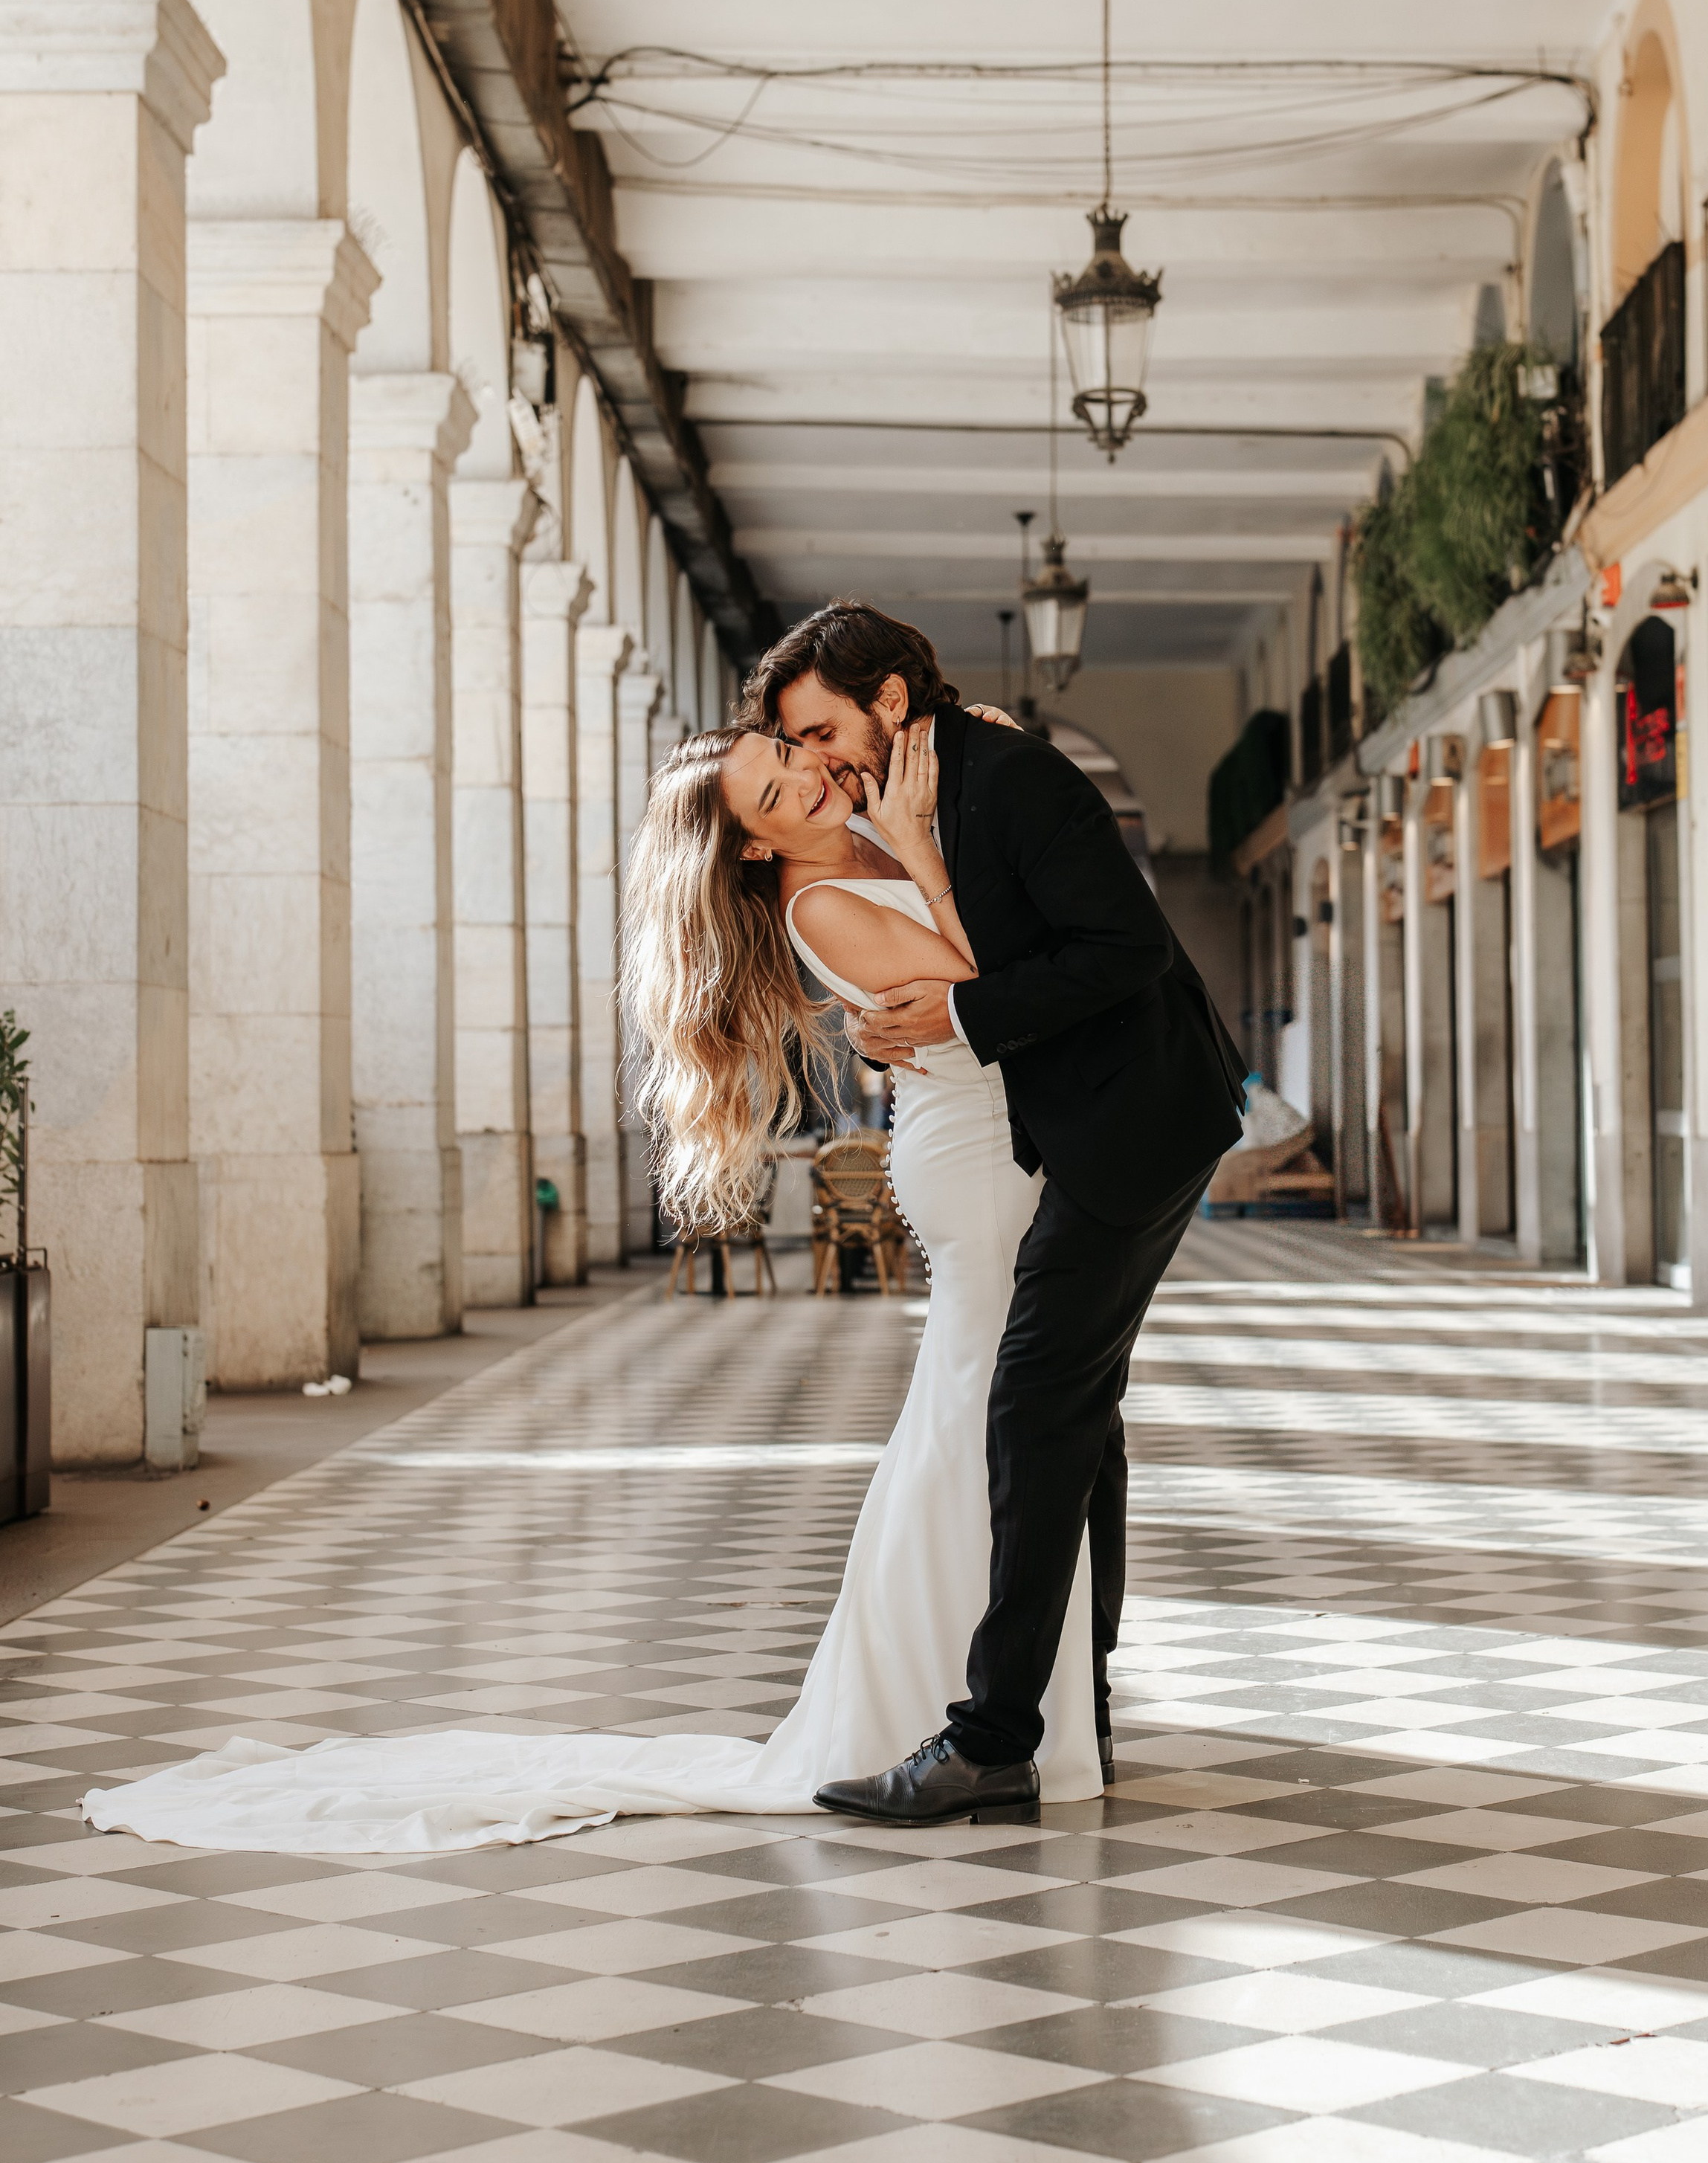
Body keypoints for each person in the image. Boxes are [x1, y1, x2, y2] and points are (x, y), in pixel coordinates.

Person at [78, 686, 1103, 1857]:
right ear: (758, 844)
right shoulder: (821, 897)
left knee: (999, 1416)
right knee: (993, 1414)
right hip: (972, 1162)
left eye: (791, 755)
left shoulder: (861, 828)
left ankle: (1000, 1713)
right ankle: (959, 1714)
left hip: (1000, 1141)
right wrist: (924, 845)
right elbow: (995, 974)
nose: (809, 777)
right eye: (779, 790)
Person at [754, 603, 1245, 1825]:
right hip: (1056, 1132)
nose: (818, 763)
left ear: (890, 700)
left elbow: (1120, 948)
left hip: (1127, 1122)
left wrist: (954, 1000)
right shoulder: (920, 791)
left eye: (821, 732)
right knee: (1065, 1405)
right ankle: (1056, 1706)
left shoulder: (999, 777)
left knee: (1039, 1400)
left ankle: (998, 1736)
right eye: (792, 753)